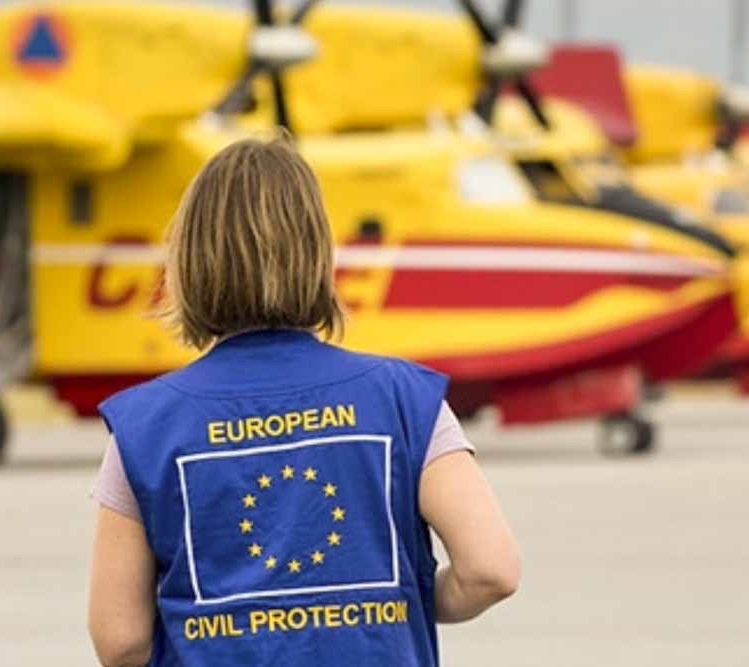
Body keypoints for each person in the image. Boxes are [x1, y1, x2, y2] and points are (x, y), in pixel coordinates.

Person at [88, 136, 519, 667]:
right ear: (317, 252)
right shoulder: (407, 400)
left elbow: (120, 640)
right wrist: (407, 601)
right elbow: (491, 570)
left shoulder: (143, 426)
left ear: (190, 260)